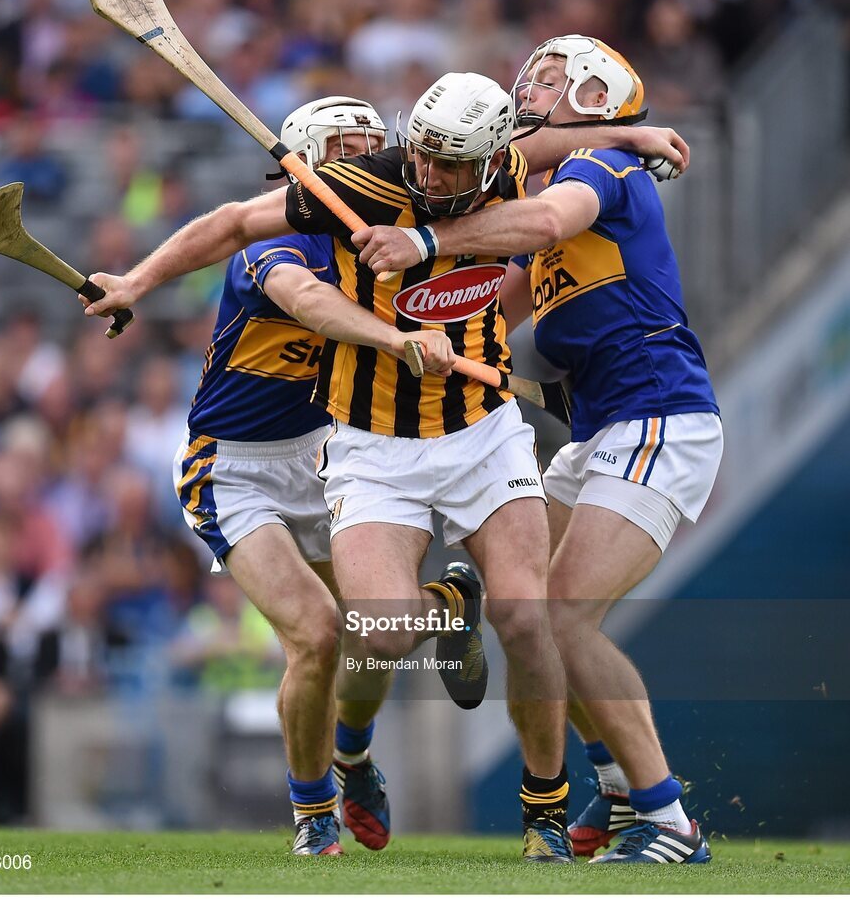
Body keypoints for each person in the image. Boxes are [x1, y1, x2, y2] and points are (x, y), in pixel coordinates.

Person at [83, 80, 692, 863]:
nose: (427, 176)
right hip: (363, 447)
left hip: (479, 432)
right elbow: (255, 242)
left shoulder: (502, 169)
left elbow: (542, 151)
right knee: (379, 631)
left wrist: (634, 138)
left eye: (448, 165)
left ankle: (545, 811)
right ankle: (350, 754)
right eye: (421, 158)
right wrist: (136, 282)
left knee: (528, 616)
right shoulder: (355, 193)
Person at [353, 36, 722, 865]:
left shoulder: (599, 171)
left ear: (597, 98)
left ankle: (667, 819)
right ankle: (620, 783)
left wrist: (425, 243)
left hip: (659, 419)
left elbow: (546, 219)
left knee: (562, 614)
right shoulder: (548, 194)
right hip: (600, 433)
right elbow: (487, 317)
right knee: (531, 612)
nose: (529, 84)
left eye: (551, 78)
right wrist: (402, 335)